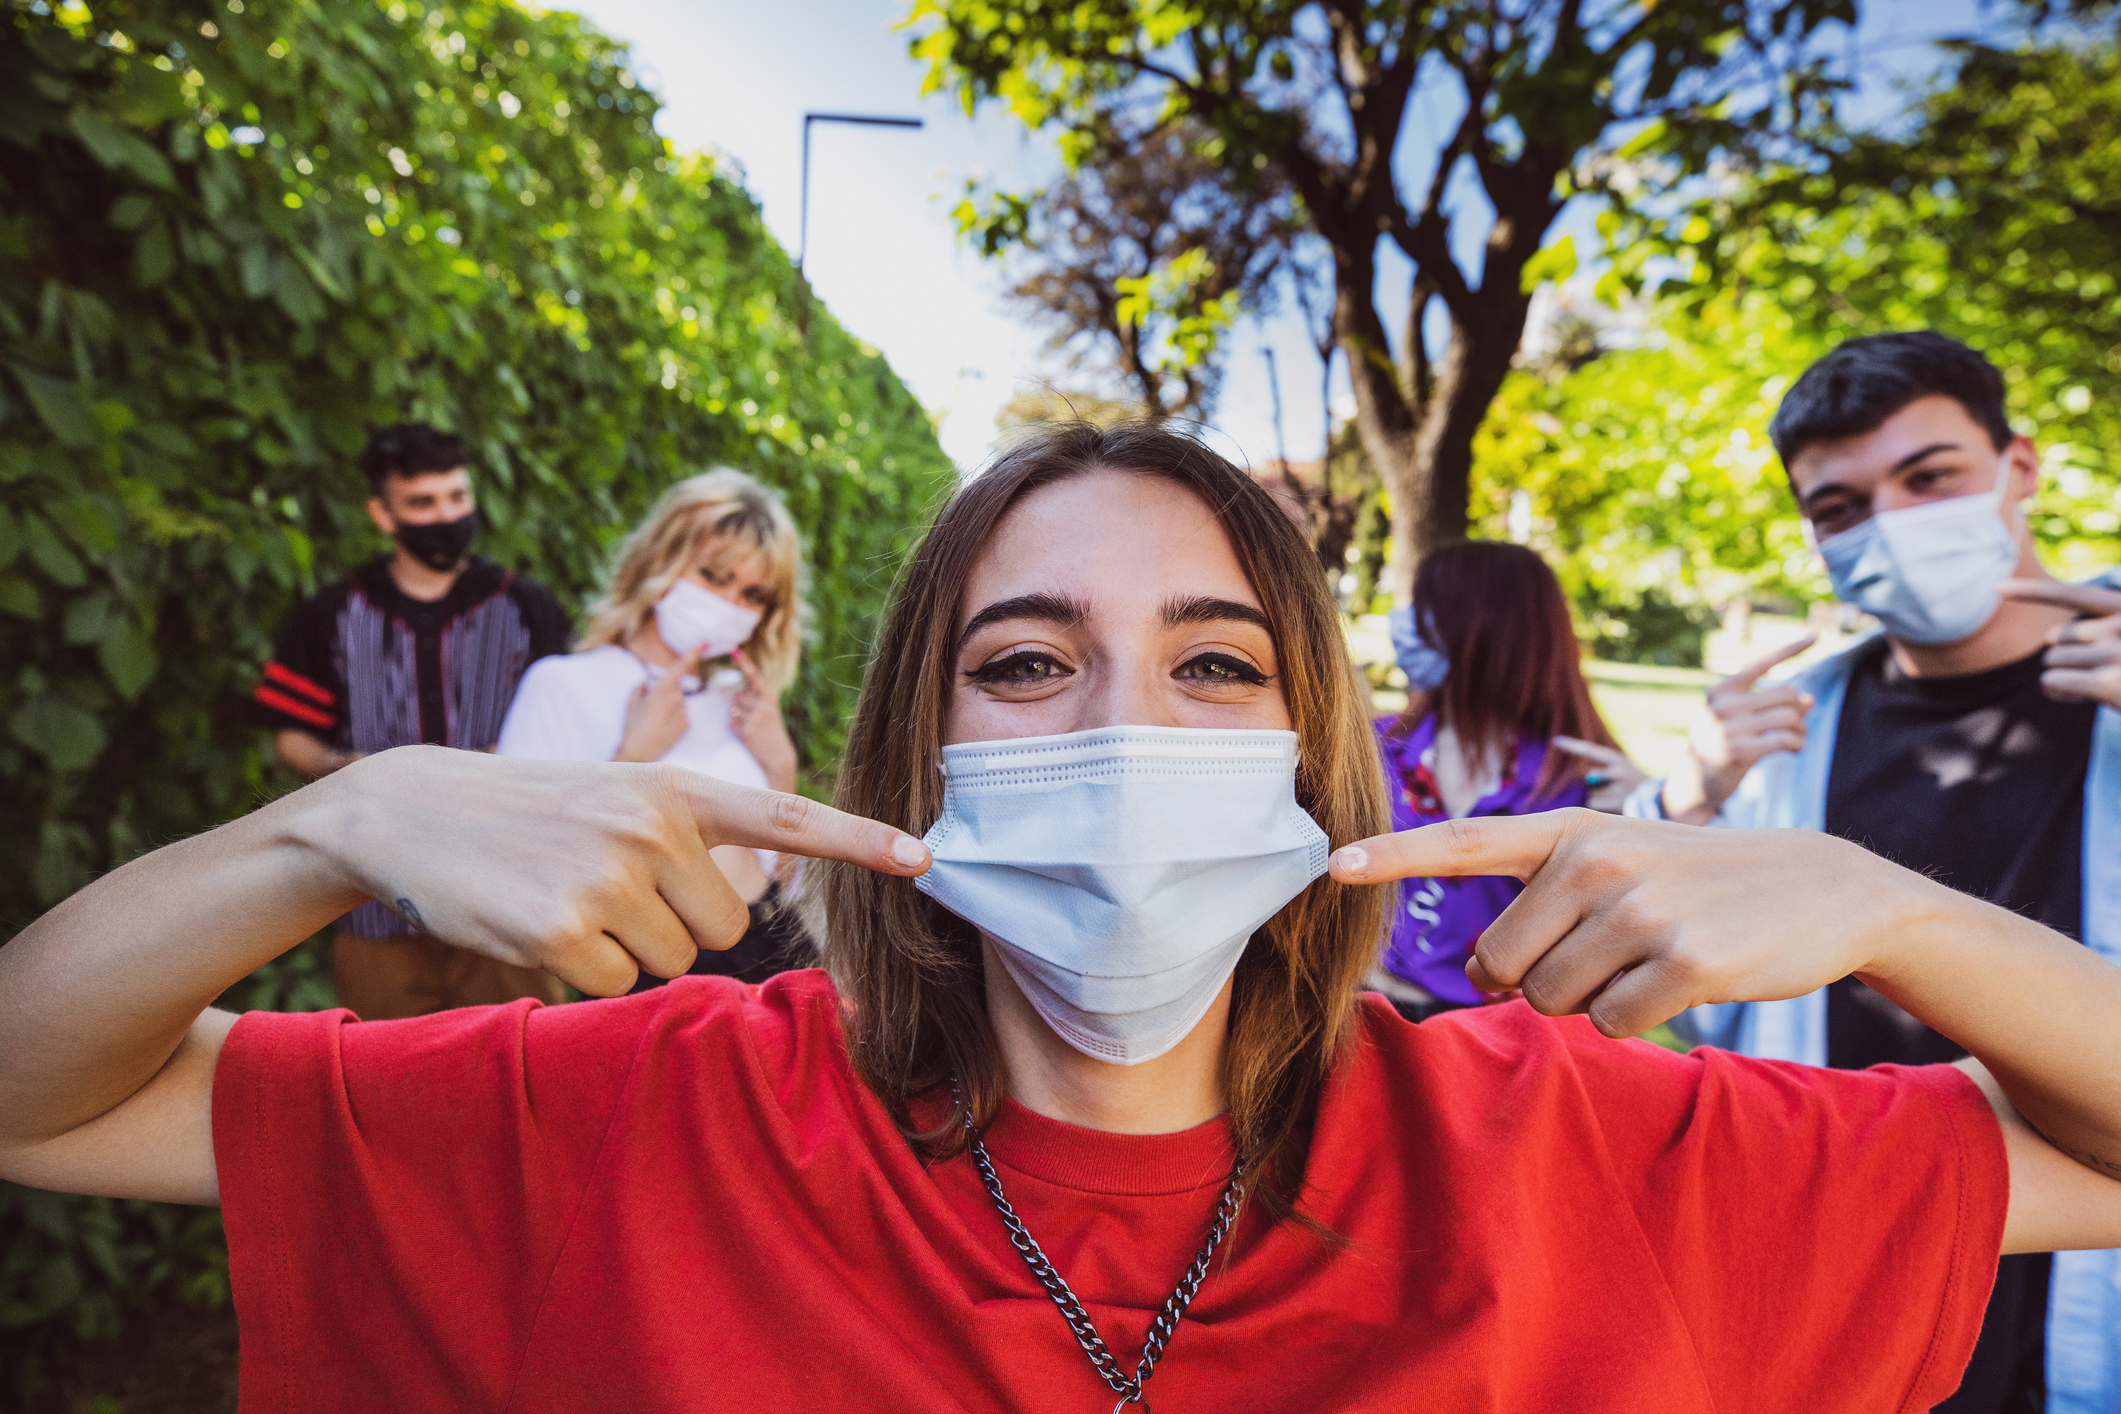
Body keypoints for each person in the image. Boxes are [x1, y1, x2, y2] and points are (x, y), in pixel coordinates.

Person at [5, 422, 2120, 1413]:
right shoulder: (648, 1108)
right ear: (909, 749)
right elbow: (38, 1096)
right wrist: (328, 828)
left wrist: (1879, 902)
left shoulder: (1571, 1141)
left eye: (1214, 664)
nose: (1123, 718)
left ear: (1315, 748)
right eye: (1025, 662)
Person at [1628, 331, 2121, 1414]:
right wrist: (1687, 801)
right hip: (1872, 1249)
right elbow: (1686, 1005)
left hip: (2090, 1253)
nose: (1892, 525)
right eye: (1841, 507)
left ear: (2019, 468)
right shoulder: (1784, 733)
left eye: (1930, 476)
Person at [246, 421, 571, 1019]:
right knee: (384, 1079)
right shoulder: (332, 613)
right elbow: (292, 741)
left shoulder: (527, 607)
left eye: (457, 497)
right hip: (371, 893)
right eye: (422, 502)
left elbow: (572, 730)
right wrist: (344, 766)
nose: (445, 515)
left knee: (525, 1063)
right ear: (383, 513)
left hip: (507, 889)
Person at [496, 469, 810, 985]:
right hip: (655, 971)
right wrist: (634, 757)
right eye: (713, 575)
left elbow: (784, 876)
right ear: (660, 558)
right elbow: (527, 879)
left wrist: (780, 764)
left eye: (753, 594)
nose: (729, 604)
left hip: (775, 948)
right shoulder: (561, 685)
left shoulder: (740, 703)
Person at [1369, 540, 1645, 1021]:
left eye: (1423, 605)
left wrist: (1651, 811)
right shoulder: (1375, 748)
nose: (1404, 622)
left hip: (1498, 1036)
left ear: (1483, 626)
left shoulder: (1578, 783)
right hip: (1364, 1010)